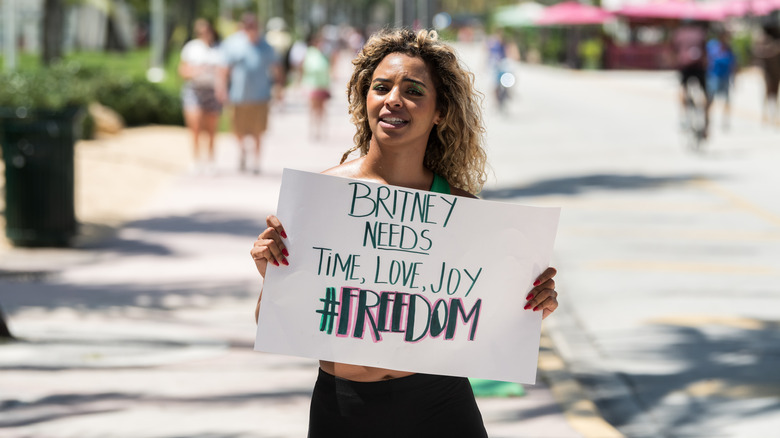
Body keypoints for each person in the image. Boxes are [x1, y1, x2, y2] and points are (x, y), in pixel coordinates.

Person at [249, 28, 560, 437]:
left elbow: (493, 323)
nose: (394, 98)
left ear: (440, 112)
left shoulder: (463, 212)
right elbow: (271, 321)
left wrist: (535, 304)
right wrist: (272, 275)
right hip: (343, 409)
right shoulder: (322, 198)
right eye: (382, 87)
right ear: (366, 98)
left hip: (440, 407)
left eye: (413, 90)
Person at [216, 13, 282, 175]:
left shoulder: (266, 46)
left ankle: (256, 162)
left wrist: (279, 89)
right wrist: (221, 89)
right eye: (247, 26)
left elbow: (276, 69)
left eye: (253, 26)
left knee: (258, 131)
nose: (250, 30)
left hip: (260, 96)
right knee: (237, 130)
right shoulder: (232, 44)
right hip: (238, 97)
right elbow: (223, 70)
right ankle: (242, 151)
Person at [178, 18, 223, 175]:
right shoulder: (191, 48)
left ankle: (210, 161)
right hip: (194, 90)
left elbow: (222, 72)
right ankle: (196, 160)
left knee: (211, 129)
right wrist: (196, 71)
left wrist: (222, 90)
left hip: (212, 91)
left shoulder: (218, 49)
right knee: (195, 126)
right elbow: (182, 70)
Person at [672, 21, 710, 137]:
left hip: (685, 66)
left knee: (683, 89)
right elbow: (705, 51)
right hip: (699, 67)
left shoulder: (679, 33)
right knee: (704, 93)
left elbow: (674, 50)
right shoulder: (701, 33)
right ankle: (705, 118)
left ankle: (684, 118)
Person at [302, 31, 331, 141]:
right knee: (313, 109)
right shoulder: (310, 53)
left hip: (323, 84)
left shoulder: (325, 54)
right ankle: (312, 130)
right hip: (312, 85)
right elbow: (304, 68)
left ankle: (321, 130)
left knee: (322, 109)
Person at [705, 29, 737, 130]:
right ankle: (707, 119)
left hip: (725, 77)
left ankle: (725, 121)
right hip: (713, 77)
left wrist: (734, 79)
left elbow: (733, 65)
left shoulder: (729, 49)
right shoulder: (712, 46)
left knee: (727, 100)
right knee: (710, 99)